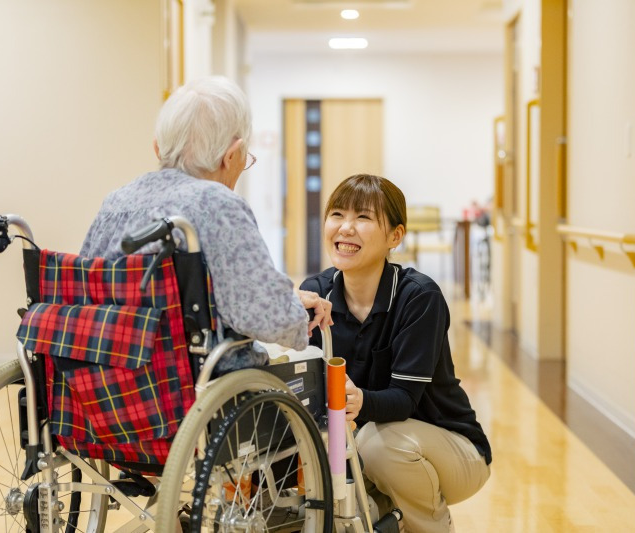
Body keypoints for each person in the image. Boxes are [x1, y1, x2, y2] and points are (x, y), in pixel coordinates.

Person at [80, 76, 332, 373]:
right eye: (245, 159)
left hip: (108, 376)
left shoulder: (115, 203)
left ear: (157, 148)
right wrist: (293, 311)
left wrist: (284, 299)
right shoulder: (217, 203)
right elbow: (272, 321)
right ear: (231, 155)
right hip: (190, 384)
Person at [301, 174, 491, 533]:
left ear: (395, 236)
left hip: (452, 448)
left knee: (376, 443)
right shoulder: (317, 292)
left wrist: (357, 401)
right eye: (337, 214)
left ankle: (430, 525)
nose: (346, 228)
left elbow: (404, 399)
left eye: (364, 218)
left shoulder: (418, 297)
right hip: (367, 445)